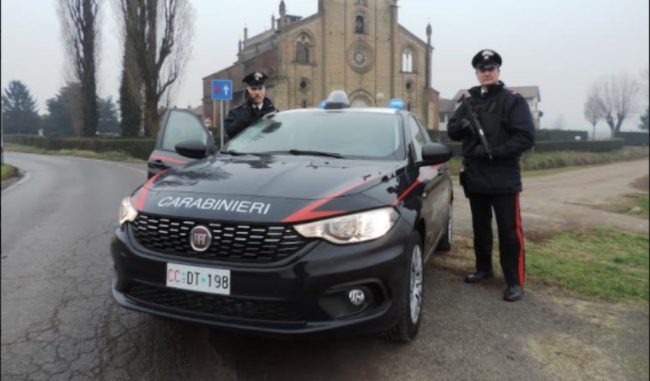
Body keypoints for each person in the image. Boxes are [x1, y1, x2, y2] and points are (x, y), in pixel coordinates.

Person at [447, 49, 535, 302]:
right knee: (480, 228)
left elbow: (525, 137)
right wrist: (460, 126)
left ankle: (514, 281)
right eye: (482, 69)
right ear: (476, 73)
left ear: (498, 71)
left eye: (491, 68)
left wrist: (497, 152)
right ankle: (483, 268)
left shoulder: (513, 101)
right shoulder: (469, 101)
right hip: (476, 175)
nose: (487, 73)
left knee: (509, 231)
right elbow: (452, 132)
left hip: (503, 175)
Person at [224, 71, 278, 138]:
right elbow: (231, 133)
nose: (257, 92)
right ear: (248, 90)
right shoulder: (236, 113)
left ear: (265, 90)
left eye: (260, 88)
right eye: (253, 89)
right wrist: (246, 112)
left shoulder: (274, 112)